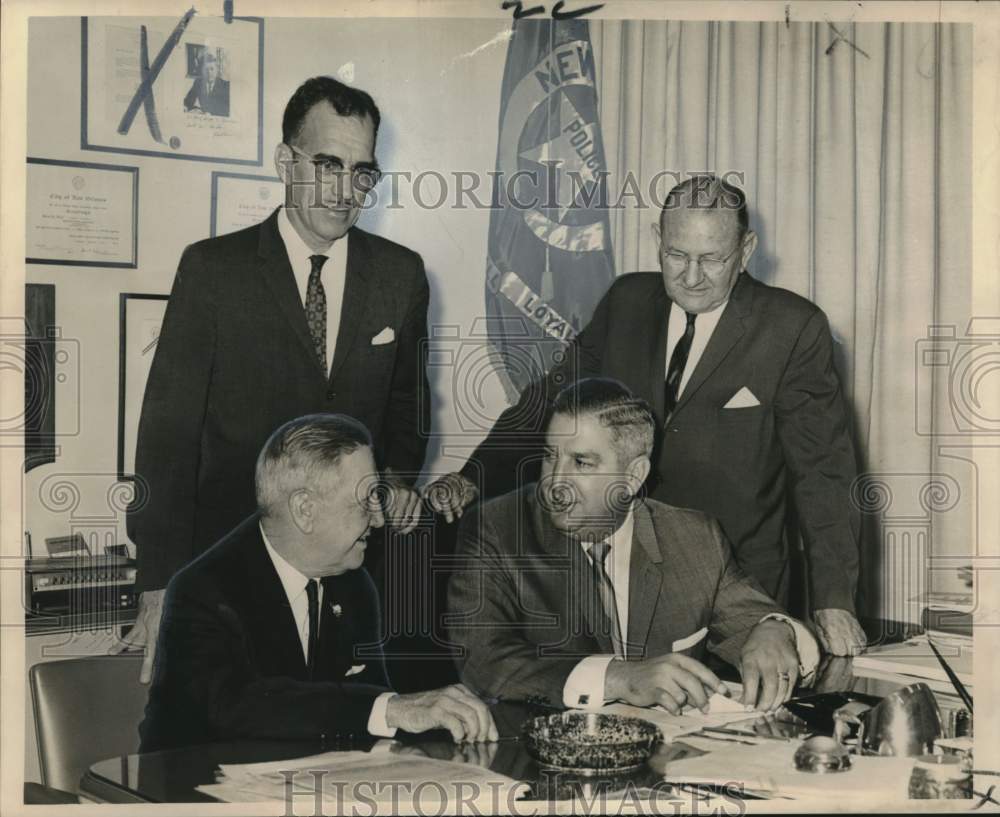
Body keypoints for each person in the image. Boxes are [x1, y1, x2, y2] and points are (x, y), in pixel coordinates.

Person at [429, 175, 865, 656]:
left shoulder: (792, 328)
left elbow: (822, 473)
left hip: (739, 592)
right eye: (677, 256)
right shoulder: (627, 302)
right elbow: (546, 402)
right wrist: (474, 476)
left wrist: (833, 600)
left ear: (745, 250)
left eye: (713, 259)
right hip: (623, 580)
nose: (692, 276)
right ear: (658, 240)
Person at [123, 76, 430, 681]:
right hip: (231, 568)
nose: (346, 191)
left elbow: (408, 412)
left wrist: (388, 488)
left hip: (352, 577)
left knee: (343, 747)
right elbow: (167, 439)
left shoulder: (401, 275)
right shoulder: (214, 271)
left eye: (362, 171)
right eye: (327, 165)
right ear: (286, 162)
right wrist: (159, 584)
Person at [447, 379, 819, 713]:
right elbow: (484, 661)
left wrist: (775, 628)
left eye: (582, 463)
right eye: (549, 456)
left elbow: (756, 620)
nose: (556, 482)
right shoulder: (497, 529)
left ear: (633, 476)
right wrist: (618, 677)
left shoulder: (694, 538)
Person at [139, 414, 495, 751]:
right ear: (305, 510)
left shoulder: (352, 584)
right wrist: (389, 708)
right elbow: (238, 707)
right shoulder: (201, 590)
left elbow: (358, 717)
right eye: (367, 498)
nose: (379, 518)